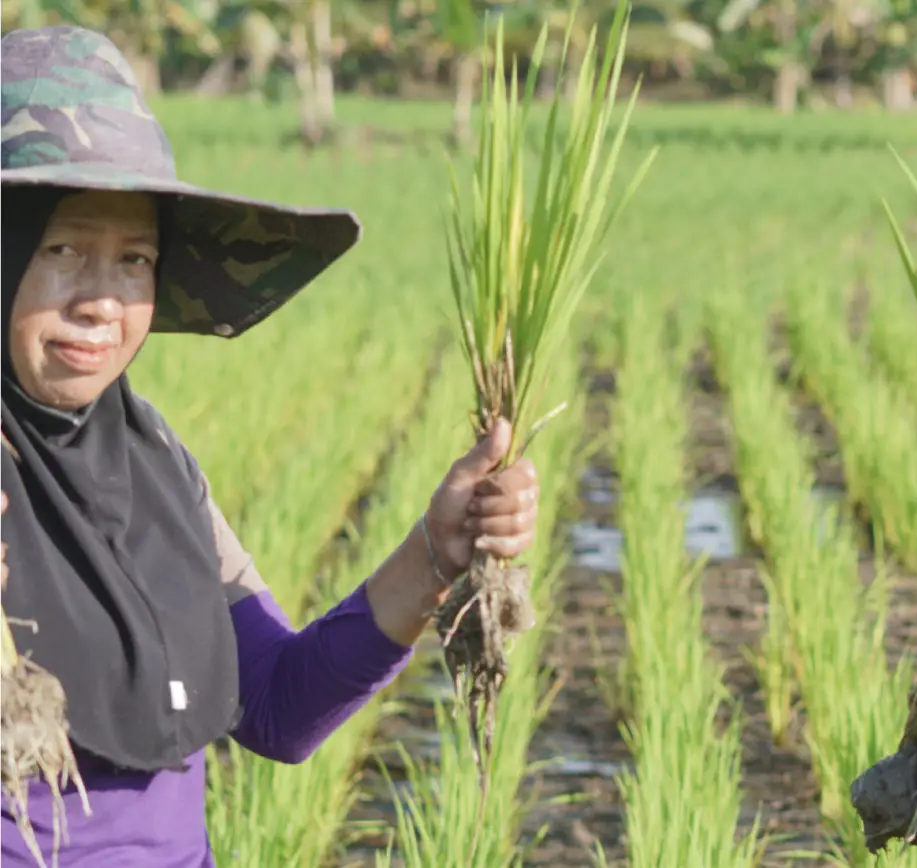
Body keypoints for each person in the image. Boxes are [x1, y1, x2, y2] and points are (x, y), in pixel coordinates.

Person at [0, 25, 541, 866]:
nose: (103, 300)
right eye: (64, 249)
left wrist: (437, 553)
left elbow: (279, 707)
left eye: (135, 259)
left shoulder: (158, 469)